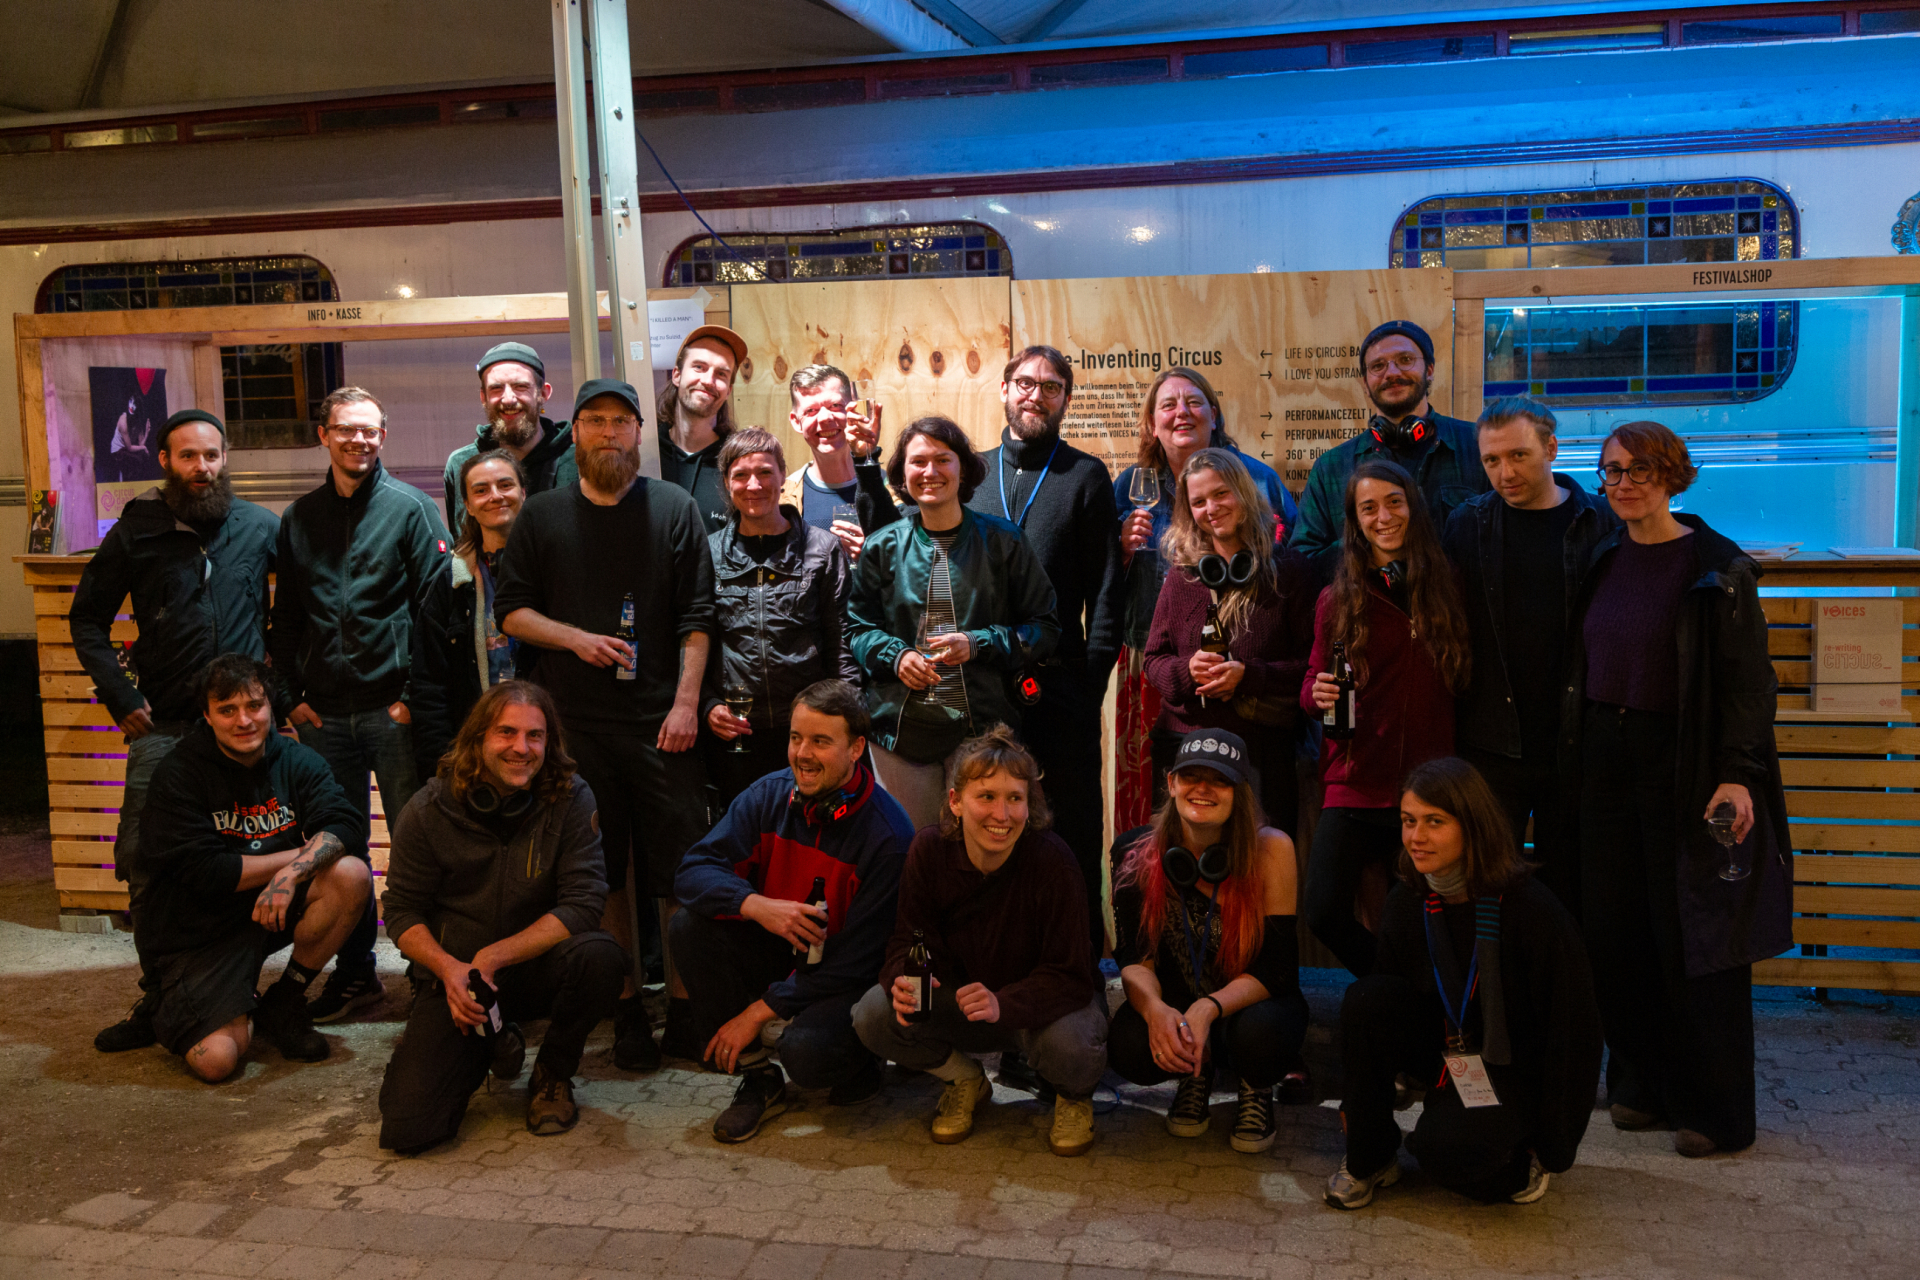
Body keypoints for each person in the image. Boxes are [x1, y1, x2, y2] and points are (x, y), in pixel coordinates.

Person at [1570, 421, 1792, 1159]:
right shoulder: (1602, 554)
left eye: (1638, 469)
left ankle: (1715, 1110)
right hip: (1605, 754)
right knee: (1616, 928)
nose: (1623, 482)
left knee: (1692, 936)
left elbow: (1748, 687)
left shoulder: (1717, 567)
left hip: (1684, 760)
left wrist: (1738, 773)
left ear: (1672, 475)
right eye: (1611, 471)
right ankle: (1639, 1085)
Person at [495, 377, 715, 1074]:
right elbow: (513, 612)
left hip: (662, 725)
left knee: (680, 871)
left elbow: (697, 619)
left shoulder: (674, 508)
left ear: (639, 433)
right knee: (605, 872)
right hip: (577, 728)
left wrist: (684, 706)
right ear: (579, 431)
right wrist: (576, 640)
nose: (610, 433)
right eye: (596, 421)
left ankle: (684, 1006)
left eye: (622, 422)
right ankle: (625, 1010)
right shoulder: (542, 516)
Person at [73, 410, 280, 1054]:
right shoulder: (138, 529)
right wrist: (121, 695)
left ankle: (267, 991)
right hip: (164, 725)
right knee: (144, 858)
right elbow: (87, 621)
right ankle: (159, 992)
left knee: (267, 851)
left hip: (248, 730)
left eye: (212, 455)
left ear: (226, 458)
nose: (202, 467)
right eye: (187, 456)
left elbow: (296, 617)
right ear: (164, 460)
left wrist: (286, 700)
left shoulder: (259, 528)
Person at [1326, 757, 1602, 1209]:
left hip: (1511, 1067)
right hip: (1448, 1053)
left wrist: (1555, 1145)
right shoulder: (1407, 900)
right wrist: (1361, 1103)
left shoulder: (1531, 910)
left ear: (1471, 825)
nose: (1417, 837)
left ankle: (1517, 1158)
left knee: (1447, 1154)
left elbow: (1574, 1035)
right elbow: (1389, 1011)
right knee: (1366, 998)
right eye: (1408, 821)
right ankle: (1371, 1158)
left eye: (1435, 822)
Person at [377, 681, 626, 1151]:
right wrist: (450, 969)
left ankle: (552, 1071)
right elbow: (401, 910)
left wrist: (492, 956)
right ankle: (489, 1042)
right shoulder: (429, 808)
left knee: (602, 956)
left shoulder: (572, 798)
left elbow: (584, 902)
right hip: (458, 981)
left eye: (535, 736)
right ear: (477, 740)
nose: (521, 748)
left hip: (535, 967)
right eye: (506, 733)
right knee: (410, 1129)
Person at [269, 385, 450, 1022]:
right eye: (346, 429)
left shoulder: (411, 509)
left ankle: (430, 974)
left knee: (415, 844)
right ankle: (356, 975)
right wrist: (288, 699)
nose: (359, 441)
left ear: (383, 435)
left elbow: (437, 613)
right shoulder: (299, 518)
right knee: (339, 851)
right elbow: (285, 617)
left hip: (391, 714)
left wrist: (409, 698)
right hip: (323, 716)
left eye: (370, 431)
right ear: (324, 434)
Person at [672, 680, 915, 1143]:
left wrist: (758, 1013)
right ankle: (758, 1079)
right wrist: (755, 905)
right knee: (689, 926)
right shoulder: (767, 795)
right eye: (795, 738)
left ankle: (861, 1063)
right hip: (785, 953)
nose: (802, 753)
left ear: (857, 748)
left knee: (805, 1054)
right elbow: (693, 871)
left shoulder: (889, 837)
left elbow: (860, 963)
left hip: (846, 977)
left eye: (821, 741)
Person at [852, 726, 1107, 1157]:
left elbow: (1071, 975)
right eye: (986, 796)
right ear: (955, 801)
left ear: (1030, 805)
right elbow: (907, 940)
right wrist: (902, 976)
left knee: (1074, 1044)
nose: (1001, 814)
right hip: (963, 1002)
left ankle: (1073, 1098)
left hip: (1036, 1011)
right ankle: (964, 1079)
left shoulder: (1053, 860)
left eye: (1015, 798)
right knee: (873, 1014)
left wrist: (1003, 1003)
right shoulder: (928, 850)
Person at [133, 654, 371, 1083]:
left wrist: (292, 876)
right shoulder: (179, 774)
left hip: (267, 911)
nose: (244, 721)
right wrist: (292, 862)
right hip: (199, 932)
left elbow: (347, 825)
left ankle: (286, 1000)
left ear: (270, 707)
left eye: (254, 706)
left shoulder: (296, 760)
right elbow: (207, 872)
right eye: (227, 710)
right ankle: (163, 1001)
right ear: (207, 715)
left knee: (350, 874)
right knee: (218, 1060)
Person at [965, 344, 1125, 962]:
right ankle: (995, 964)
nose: (1036, 394)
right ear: (1004, 390)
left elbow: (1105, 592)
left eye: (1052, 386)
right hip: (982, 688)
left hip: (1062, 690)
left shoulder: (1084, 476)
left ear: (1064, 399)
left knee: (1072, 832)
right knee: (988, 828)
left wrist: (1090, 685)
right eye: (1025, 383)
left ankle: (1080, 967)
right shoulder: (971, 473)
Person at [1441, 397, 1617, 914]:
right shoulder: (1467, 524)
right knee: (1491, 889)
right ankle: (1495, 997)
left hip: (1575, 739)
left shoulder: (1601, 522)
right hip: (1493, 740)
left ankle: (1562, 994)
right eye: (1491, 460)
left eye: (1518, 456)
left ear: (1552, 449)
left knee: (1573, 889)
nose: (1504, 472)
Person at [845, 416, 1059, 831]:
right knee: (913, 854)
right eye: (918, 462)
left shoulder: (1004, 541)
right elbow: (856, 629)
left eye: (943, 460)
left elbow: (1045, 628)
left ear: (963, 468)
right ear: (902, 474)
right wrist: (897, 655)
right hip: (902, 737)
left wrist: (978, 642)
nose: (930, 472)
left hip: (984, 732)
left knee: (986, 849)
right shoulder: (882, 546)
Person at [1302, 460, 1469, 977]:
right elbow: (1310, 685)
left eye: (1394, 502)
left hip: (1427, 789)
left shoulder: (1450, 587)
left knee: (1419, 920)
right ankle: (1394, 989)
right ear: (1354, 521)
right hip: (1354, 783)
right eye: (1368, 508)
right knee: (1323, 910)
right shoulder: (1336, 598)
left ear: (1414, 506)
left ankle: (1418, 1008)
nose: (1384, 517)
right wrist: (1318, 693)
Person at [1113, 368, 1298, 832]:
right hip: (1159, 663)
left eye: (1194, 402)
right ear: (1151, 423)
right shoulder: (1131, 484)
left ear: (1214, 414)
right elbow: (1101, 580)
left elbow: (1290, 559)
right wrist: (1118, 549)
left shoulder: (1260, 479)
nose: (1182, 413)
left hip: (1250, 673)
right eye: (1168, 404)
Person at [1109, 730, 1308, 1154]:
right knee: (1128, 1044)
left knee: (1262, 1037)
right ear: (1171, 783)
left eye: (1218, 780)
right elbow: (1133, 955)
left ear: (1239, 792)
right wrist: (1156, 1010)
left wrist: (1207, 1008)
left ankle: (1255, 1088)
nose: (1202, 789)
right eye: (1191, 776)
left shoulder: (1272, 850)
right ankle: (1193, 1072)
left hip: (1252, 1003)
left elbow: (1278, 968)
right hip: (1179, 995)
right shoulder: (1132, 852)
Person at [1144, 448, 1317, 838]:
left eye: (1221, 494)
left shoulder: (1291, 571)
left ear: (1244, 494)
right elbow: (1153, 660)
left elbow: (1312, 667)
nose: (1211, 508)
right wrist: (1186, 671)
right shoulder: (1181, 577)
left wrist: (1249, 676)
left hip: (1261, 750)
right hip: (1183, 745)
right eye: (1198, 501)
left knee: (1261, 867)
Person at [703, 428, 860, 805]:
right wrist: (707, 705)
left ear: (782, 476)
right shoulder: (708, 554)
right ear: (727, 483)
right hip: (736, 731)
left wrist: (848, 717)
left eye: (765, 472)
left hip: (808, 729)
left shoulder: (821, 549)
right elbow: (697, 640)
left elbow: (842, 639)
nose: (753, 485)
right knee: (745, 839)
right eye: (740, 475)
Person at [1291, 320, 1488, 579]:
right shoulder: (1331, 467)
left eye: (1405, 359)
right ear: (1364, 382)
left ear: (1429, 370)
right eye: (1378, 366)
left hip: (1462, 614)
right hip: (1369, 613)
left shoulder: (1478, 445)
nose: (1391, 372)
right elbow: (1303, 559)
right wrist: (1366, 540)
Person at [412, 450, 529, 779]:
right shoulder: (450, 584)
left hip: (542, 747)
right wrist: (441, 765)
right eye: (480, 490)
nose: (494, 496)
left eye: (505, 484)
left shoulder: (554, 570)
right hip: (476, 752)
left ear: (523, 492)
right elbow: (429, 685)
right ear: (466, 503)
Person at [441, 342, 576, 540]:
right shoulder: (461, 463)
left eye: (520, 386)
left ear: (543, 393)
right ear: (483, 397)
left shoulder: (577, 460)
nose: (508, 399)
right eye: (496, 389)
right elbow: (462, 544)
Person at [781, 363, 899, 558]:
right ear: (796, 421)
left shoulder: (895, 490)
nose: (825, 418)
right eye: (811, 410)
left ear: (853, 409)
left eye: (835, 406)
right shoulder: (782, 500)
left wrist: (875, 557)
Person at [657, 325, 749, 534]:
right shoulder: (644, 455)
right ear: (677, 375)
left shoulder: (738, 462)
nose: (708, 381)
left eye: (721, 374)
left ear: (729, 390)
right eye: (699, 367)